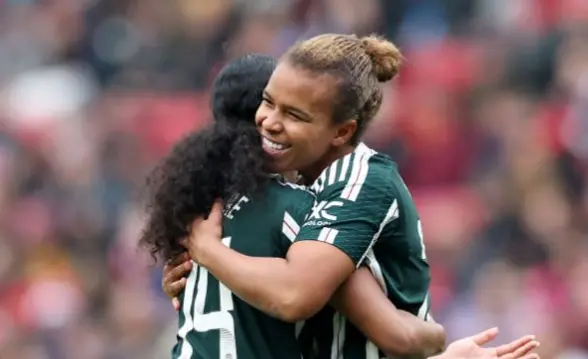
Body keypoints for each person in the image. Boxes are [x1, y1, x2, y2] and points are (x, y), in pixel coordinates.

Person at [175, 34, 538, 359]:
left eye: (294, 114)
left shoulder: (361, 181)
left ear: (342, 131)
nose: (269, 121)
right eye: (268, 102)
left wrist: (208, 251)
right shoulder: (292, 189)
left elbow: (296, 294)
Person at [140, 54, 447, 359]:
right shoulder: (298, 211)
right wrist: (440, 339)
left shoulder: (196, 211)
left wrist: (206, 254)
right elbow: (394, 332)